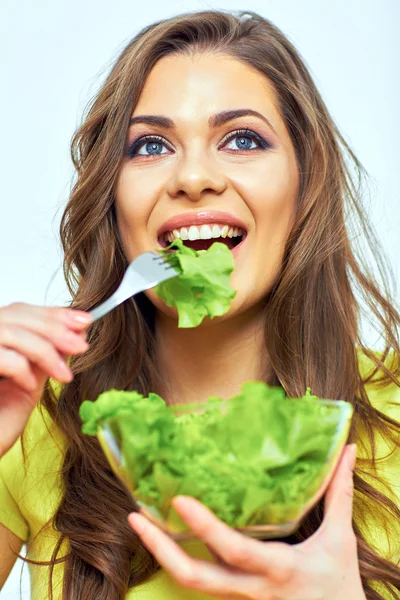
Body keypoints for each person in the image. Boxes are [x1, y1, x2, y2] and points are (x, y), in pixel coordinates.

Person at [0, 8, 399, 600]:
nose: (192, 176)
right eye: (151, 145)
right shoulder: (36, 423)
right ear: (113, 199)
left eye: (242, 139)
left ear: (304, 182)